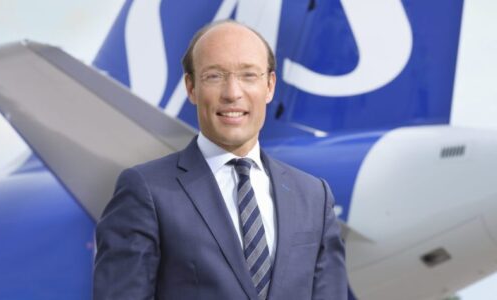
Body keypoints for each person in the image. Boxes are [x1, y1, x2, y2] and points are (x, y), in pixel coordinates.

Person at [93, 20, 348, 300]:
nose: (232, 93)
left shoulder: (313, 196)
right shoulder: (147, 191)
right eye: (214, 76)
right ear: (191, 88)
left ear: (270, 86)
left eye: (249, 75)